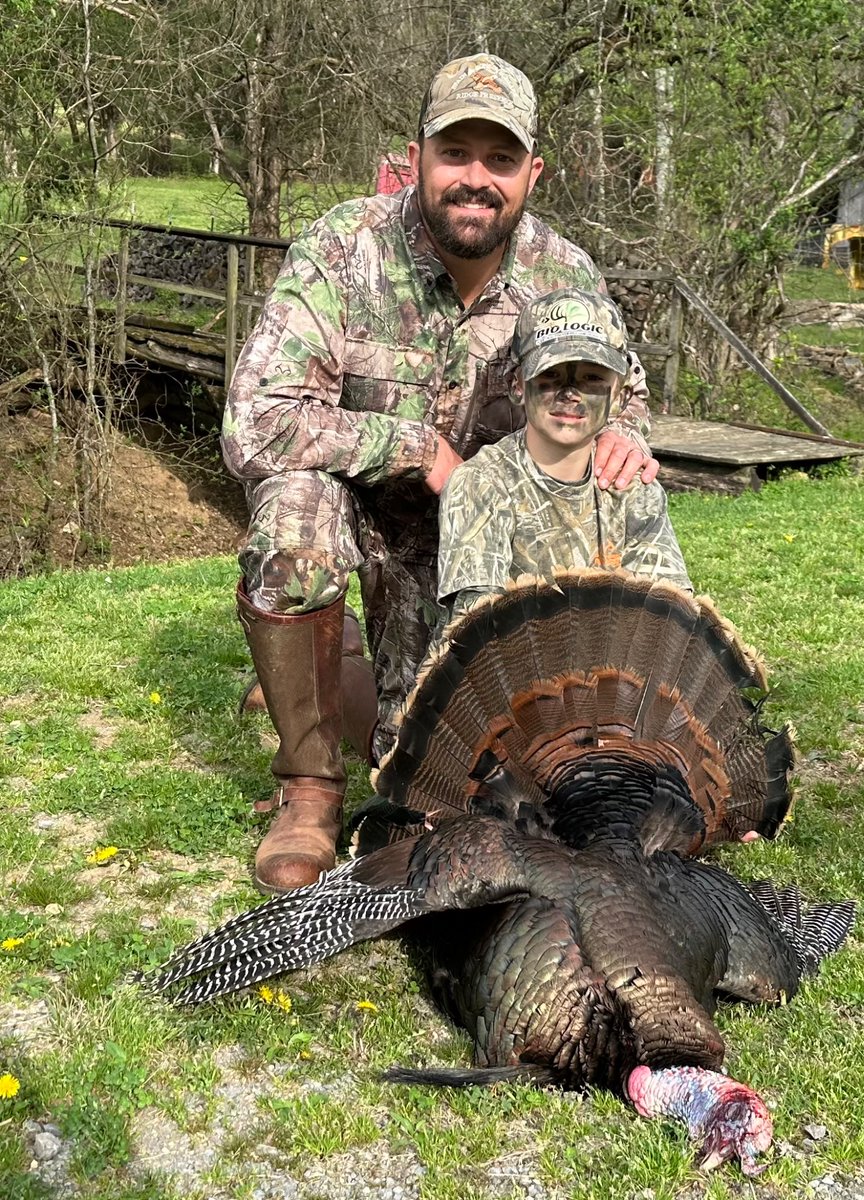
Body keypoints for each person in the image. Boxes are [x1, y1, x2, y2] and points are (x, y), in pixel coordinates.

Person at [222, 53, 660, 895]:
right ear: (416, 155)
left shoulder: (565, 275)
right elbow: (258, 420)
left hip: (477, 548)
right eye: (454, 152)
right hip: (355, 509)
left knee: (423, 763)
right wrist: (419, 449)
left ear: (533, 173)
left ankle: (324, 667)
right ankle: (308, 787)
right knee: (293, 539)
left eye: (499, 160)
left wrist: (625, 442)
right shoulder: (344, 247)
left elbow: (625, 397)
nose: (475, 179)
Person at [435, 287, 691, 636]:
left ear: (621, 397)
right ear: (517, 386)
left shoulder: (634, 489)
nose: (570, 394)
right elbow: (477, 634)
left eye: (592, 378)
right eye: (550, 375)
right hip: (506, 675)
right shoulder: (479, 482)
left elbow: (667, 621)